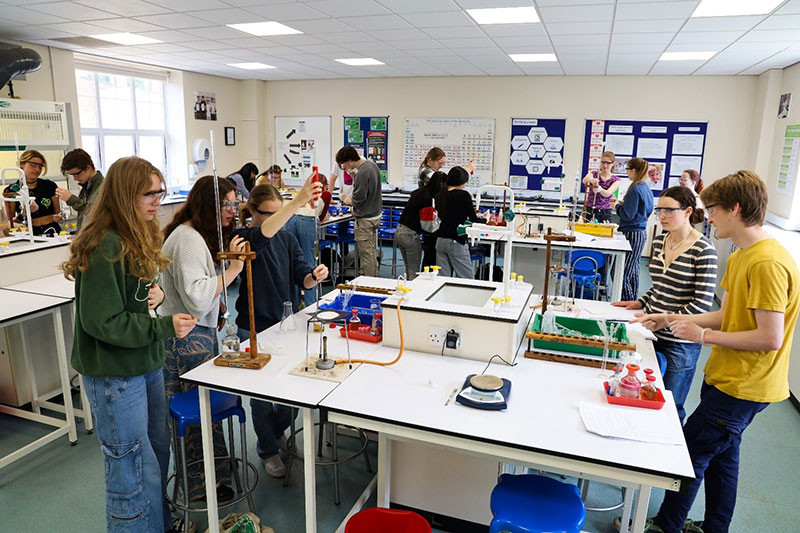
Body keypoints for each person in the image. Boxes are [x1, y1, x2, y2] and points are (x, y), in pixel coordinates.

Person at [629, 171, 799, 533]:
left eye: (712, 210)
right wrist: (670, 317)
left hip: (745, 385)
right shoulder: (742, 256)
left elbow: (770, 338)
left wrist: (702, 336)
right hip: (724, 376)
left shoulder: (767, 262)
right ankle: (714, 527)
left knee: (689, 455)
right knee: (724, 461)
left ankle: (666, 525)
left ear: (734, 209)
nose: (708, 217)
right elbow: (727, 314)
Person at [61, 155, 197, 533]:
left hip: (145, 365)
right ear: (123, 196)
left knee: (156, 455)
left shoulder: (139, 232)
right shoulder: (104, 244)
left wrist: (149, 296)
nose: (157, 201)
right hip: (115, 377)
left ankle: (161, 525)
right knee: (130, 471)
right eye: (147, 194)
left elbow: (130, 298)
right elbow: (102, 322)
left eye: (160, 192)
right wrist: (163, 326)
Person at [159, 175, 246, 502]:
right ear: (209, 205)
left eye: (235, 203)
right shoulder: (188, 239)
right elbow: (196, 298)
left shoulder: (194, 236)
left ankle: (216, 477)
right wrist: (234, 269)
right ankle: (198, 489)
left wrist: (218, 304)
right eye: (226, 204)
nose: (232, 210)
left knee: (208, 409)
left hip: (197, 333)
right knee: (195, 418)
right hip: (184, 340)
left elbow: (201, 288)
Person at [235, 180, 326, 477]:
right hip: (253, 328)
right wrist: (297, 201)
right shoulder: (244, 237)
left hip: (285, 326)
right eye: (269, 214)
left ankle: (273, 433)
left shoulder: (287, 239)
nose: (277, 220)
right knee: (261, 398)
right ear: (252, 212)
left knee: (292, 392)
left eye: (281, 213)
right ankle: (268, 449)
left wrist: (314, 276)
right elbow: (261, 236)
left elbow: (302, 277)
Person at [613, 186, 718, 423]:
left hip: (680, 343)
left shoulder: (704, 251)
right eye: (659, 210)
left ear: (688, 211)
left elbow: (701, 305)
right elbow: (660, 285)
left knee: (670, 405)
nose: (662, 216)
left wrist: (666, 320)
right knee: (640, 394)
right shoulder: (660, 241)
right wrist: (642, 300)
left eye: (669, 211)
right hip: (650, 333)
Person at [284, 172, 332, 307]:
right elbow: (322, 217)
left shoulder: (302, 193)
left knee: (293, 261)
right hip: (308, 222)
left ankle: (294, 303)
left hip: (291, 219)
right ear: (325, 184)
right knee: (311, 262)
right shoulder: (326, 194)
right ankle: (311, 304)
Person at [336, 145, 382, 277]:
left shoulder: (362, 172)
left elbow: (357, 201)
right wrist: (354, 176)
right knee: (371, 251)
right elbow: (368, 187)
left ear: (349, 160)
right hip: (375, 215)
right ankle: (375, 280)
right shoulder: (371, 165)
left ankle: (371, 284)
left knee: (366, 255)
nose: (344, 167)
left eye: (344, 164)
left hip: (365, 220)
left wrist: (345, 198)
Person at [611, 157, 653, 301]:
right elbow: (645, 210)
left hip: (631, 233)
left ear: (634, 170)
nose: (627, 172)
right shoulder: (645, 187)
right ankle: (632, 299)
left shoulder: (635, 188)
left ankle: (626, 302)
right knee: (633, 269)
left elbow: (628, 215)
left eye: (628, 169)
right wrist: (625, 204)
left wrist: (617, 206)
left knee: (621, 272)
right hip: (640, 232)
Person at [396, 171, 446, 280]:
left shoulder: (420, 193)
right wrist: (440, 224)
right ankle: (412, 292)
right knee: (414, 270)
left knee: (409, 267)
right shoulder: (428, 199)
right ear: (441, 184)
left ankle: (407, 288)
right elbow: (427, 226)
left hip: (400, 231)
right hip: (410, 235)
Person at [435, 166, 482, 279]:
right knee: (467, 279)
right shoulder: (464, 195)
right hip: (456, 240)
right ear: (462, 181)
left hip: (440, 239)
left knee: (442, 279)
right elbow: (473, 218)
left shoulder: (440, 194)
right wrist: (486, 220)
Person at [3, 149, 62, 236]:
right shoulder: (12, 190)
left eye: (40, 167)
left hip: (53, 230)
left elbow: (58, 213)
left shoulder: (49, 186)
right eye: (33, 165)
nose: (37, 169)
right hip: (29, 233)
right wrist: (24, 213)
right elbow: (11, 223)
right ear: (22, 164)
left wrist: (59, 216)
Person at [56, 148, 104, 231]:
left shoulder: (103, 187)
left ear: (88, 167)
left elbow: (93, 212)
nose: (75, 178)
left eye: (77, 174)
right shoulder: (87, 187)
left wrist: (71, 199)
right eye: (72, 175)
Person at [582, 151, 620, 223]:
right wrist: (591, 179)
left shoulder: (616, 180)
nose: (605, 165)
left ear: (613, 163)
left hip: (605, 212)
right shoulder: (594, 174)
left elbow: (607, 193)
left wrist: (599, 189)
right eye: (603, 162)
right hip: (590, 210)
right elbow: (584, 180)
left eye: (608, 163)